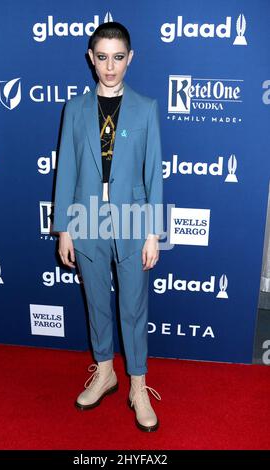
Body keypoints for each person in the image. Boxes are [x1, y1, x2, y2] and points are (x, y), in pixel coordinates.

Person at [52, 21, 164, 432]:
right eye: (102, 57)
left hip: (133, 216)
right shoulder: (75, 109)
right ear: (91, 58)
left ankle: (138, 385)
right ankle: (105, 373)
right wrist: (64, 226)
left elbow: (154, 173)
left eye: (118, 57)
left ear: (130, 58)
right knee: (96, 300)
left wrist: (153, 231)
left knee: (133, 304)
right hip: (85, 213)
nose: (110, 66)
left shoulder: (147, 107)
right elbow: (65, 170)